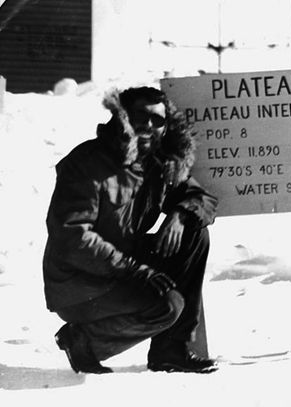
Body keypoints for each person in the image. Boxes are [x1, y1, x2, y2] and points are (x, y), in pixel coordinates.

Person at [43, 86, 218, 374]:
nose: (149, 126)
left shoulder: (157, 164)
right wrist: (134, 270)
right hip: (79, 282)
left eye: (158, 120)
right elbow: (72, 236)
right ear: (122, 117)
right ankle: (83, 341)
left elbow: (203, 199)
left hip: (124, 267)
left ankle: (170, 352)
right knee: (166, 305)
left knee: (194, 233)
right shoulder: (87, 162)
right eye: (140, 116)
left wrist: (179, 214)